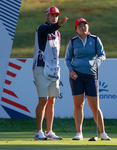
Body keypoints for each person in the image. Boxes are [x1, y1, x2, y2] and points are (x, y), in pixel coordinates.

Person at [65, 18, 111, 141]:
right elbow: (68, 59)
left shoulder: (95, 39)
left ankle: (102, 133)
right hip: (77, 76)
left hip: (91, 75)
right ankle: (79, 133)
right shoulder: (73, 42)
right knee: (78, 105)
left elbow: (102, 54)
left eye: (84, 25)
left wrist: (99, 60)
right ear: (76, 29)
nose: (82, 27)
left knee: (95, 106)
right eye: (79, 26)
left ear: (88, 27)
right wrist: (71, 71)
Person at [33, 6, 69, 140]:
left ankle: (49, 131)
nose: (54, 17)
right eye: (52, 15)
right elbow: (49, 29)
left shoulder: (57, 34)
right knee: (43, 100)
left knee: (52, 101)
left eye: (56, 15)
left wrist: (58, 69)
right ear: (46, 16)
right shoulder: (42, 28)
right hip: (41, 67)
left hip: (53, 69)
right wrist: (59, 24)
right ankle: (38, 131)